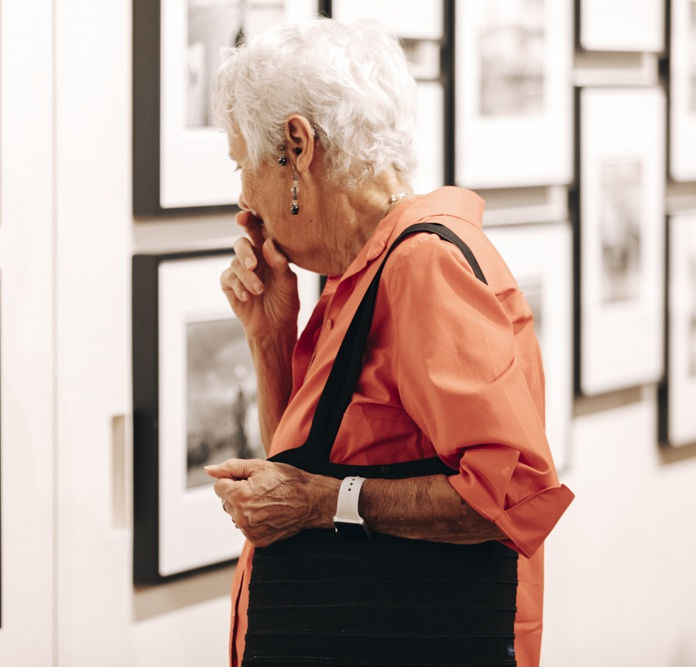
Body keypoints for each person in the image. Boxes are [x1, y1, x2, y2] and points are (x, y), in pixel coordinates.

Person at [206, 19, 573, 667]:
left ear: (297, 147)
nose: (243, 194)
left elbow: (506, 499)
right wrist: (270, 336)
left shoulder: (423, 265)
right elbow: (300, 468)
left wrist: (322, 503)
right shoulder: (361, 275)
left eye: (244, 161)